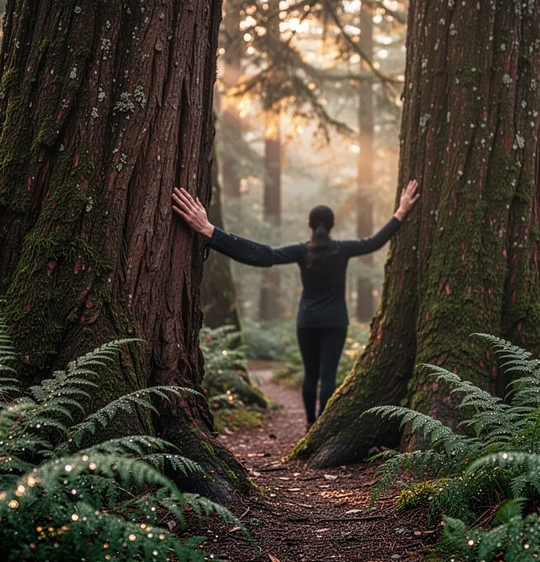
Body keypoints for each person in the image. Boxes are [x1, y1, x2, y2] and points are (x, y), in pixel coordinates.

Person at [172, 180, 420, 429]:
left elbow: (264, 255)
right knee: (328, 375)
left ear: (309, 225)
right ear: (332, 226)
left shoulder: (302, 251)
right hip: (335, 321)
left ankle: (311, 424)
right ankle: (322, 425)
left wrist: (210, 231)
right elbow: (374, 242)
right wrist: (401, 211)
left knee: (310, 375)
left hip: (308, 321)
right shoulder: (343, 249)